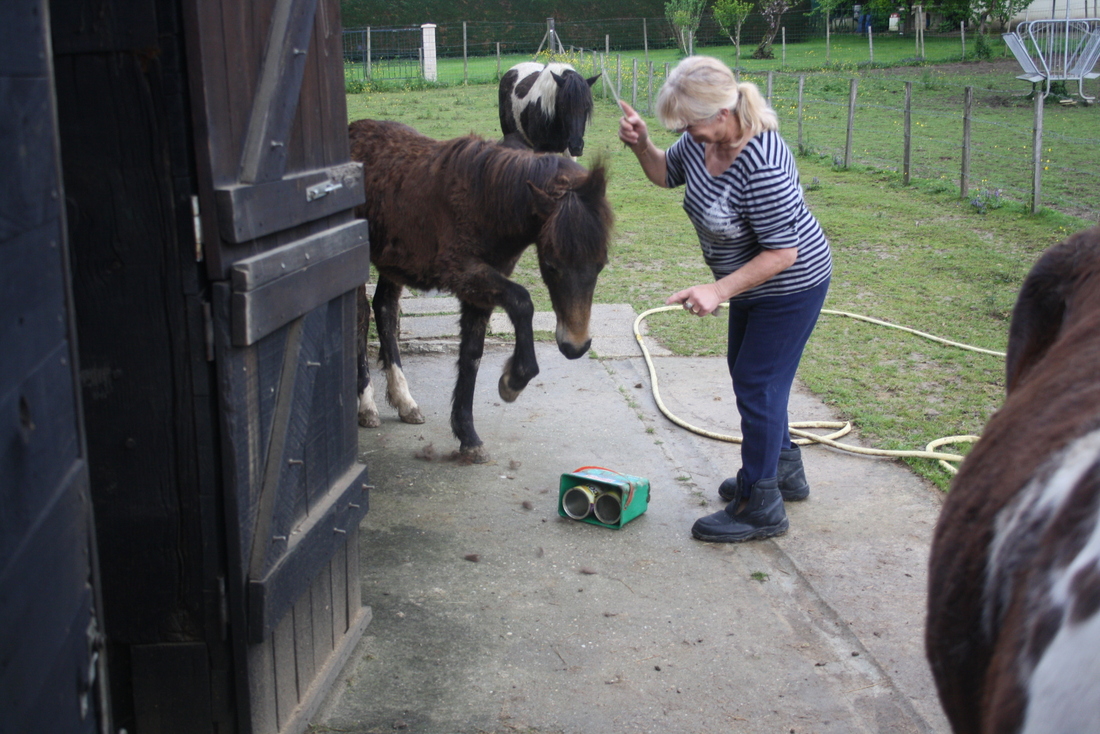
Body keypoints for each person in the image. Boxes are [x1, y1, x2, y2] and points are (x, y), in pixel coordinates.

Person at [618, 56, 832, 543]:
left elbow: (783, 252)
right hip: (751, 286)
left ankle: (761, 505)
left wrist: (717, 290)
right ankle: (783, 470)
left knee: (758, 385)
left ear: (721, 113)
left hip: (791, 286)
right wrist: (643, 144)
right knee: (751, 377)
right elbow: (663, 174)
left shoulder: (764, 163)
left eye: (688, 123)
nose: (684, 132)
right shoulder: (702, 142)